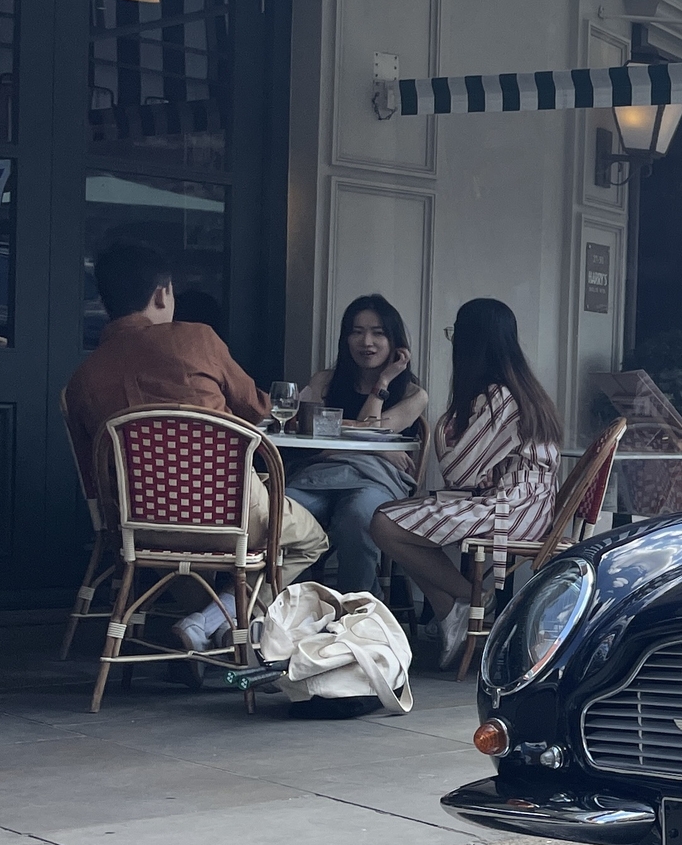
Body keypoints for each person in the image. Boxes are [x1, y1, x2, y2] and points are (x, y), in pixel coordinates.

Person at [65, 243, 329, 650]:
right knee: (310, 538)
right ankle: (214, 623)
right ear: (162, 294)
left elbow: (94, 473)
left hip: (141, 522)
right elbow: (258, 408)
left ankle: (204, 629)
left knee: (180, 559)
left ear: (104, 301)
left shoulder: (84, 378)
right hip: (228, 510)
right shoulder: (197, 339)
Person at [370, 298, 562, 670]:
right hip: (526, 506)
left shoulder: (499, 398)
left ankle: (472, 598)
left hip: (514, 509)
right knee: (395, 521)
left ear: (471, 343)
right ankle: (453, 608)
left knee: (385, 522)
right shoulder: (518, 391)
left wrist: (443, 424)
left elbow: (458, 472)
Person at [292, 295, 429, 597]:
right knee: (286, 512)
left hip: (375, 480)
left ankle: (358, 617)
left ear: (394, 340)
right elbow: (308, 431)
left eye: (378, 332)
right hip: (320, 475)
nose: (366, 341)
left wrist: (384, 381)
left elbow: (367, 429)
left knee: (357, 517)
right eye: (356, 331)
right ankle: (293, 610)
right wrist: (379, 448)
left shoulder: (412, 394)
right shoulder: (324, 381)